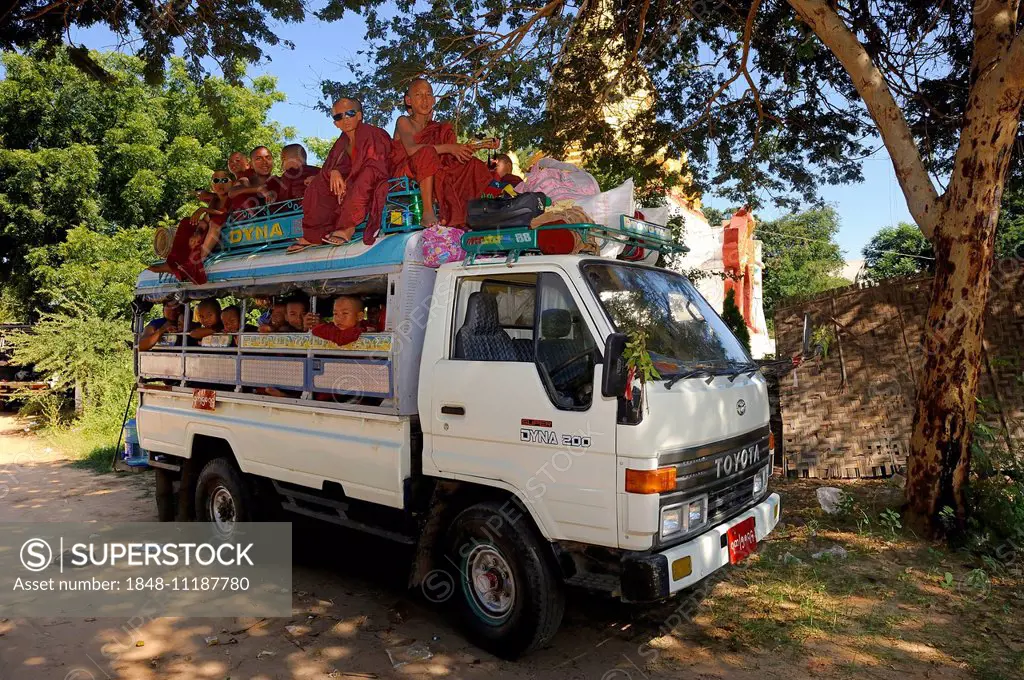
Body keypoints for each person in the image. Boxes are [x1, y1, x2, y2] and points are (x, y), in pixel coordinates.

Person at [392, 78, 499, 227]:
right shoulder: (404, 121)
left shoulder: (439, 127)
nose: (424, 99)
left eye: (428, 95)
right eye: (418, 95)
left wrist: (480, 146)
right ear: (408, 100)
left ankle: (476, 211)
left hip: (434, 169)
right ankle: (428, 212)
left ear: (434, 100)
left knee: (471, 164)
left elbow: (451, 156)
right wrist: (450, 148)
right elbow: (411, 150)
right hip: (407, 173)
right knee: (427, 152)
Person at [289, 98, 392, 252]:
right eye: (338, 117)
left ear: (359, 115)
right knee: (318, 184)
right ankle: (314, 235)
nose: (345, 119)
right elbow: (328, 167)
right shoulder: (341, 142)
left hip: (377, 178)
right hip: (353, 180)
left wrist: (348, 181)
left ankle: (347, 228)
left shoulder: (373, 133)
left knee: (366, 175)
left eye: (349, 113)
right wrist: (334, 172)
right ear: (335, 123)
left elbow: (377, 166)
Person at [147, 170, 231, 284]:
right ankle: (173, 263)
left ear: (232, 183)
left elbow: (224, 214)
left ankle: (195, 263)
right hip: (209, 229)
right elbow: (205, 220)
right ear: (212, 185)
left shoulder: (231, 196)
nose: (221, 183)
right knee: (187, 222)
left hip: (227, 227)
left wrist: (203, 209)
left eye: (224, 180)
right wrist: (197, 233)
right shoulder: (215, 199)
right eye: (216, 180)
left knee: (215, 222)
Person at [227, 146, 275, 216]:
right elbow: (231, 192)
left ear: (248, 164)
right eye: (230, 162)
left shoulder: (249, 175)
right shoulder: (241, 180)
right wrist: (259, 189)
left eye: (237, 160)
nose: (233, 163)